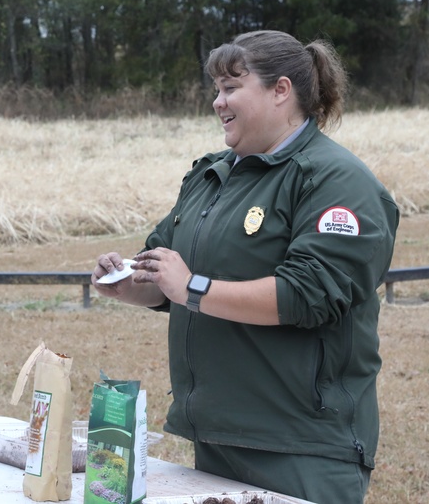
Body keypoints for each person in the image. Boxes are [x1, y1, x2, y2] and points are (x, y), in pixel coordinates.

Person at [91, 30, 399, 504]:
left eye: (232, 87)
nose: (218, 102)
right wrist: (128, 283)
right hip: (217, 438)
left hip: (301, 448)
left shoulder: (338, 182)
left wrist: (191, 287)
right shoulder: (212, 174)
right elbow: (163, 272)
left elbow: (307, 293)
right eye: (216, 89)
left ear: (281, 91)